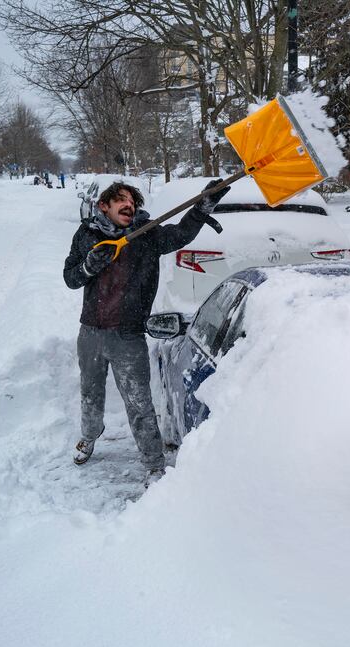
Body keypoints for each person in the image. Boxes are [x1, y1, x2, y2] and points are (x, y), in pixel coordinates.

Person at [63, 179, 229, 475]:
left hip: (128, 335)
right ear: (104, 205)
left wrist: (203, 205)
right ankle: (89, 436)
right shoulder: (87, 233)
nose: (129, 205)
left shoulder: (146, 234)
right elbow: (71, 277)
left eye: (133, 202)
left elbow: (180, 234)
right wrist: (90, 265)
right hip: (90, 332)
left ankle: (153, 465)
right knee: (90, 392)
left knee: (139, 403)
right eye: (121, 200)